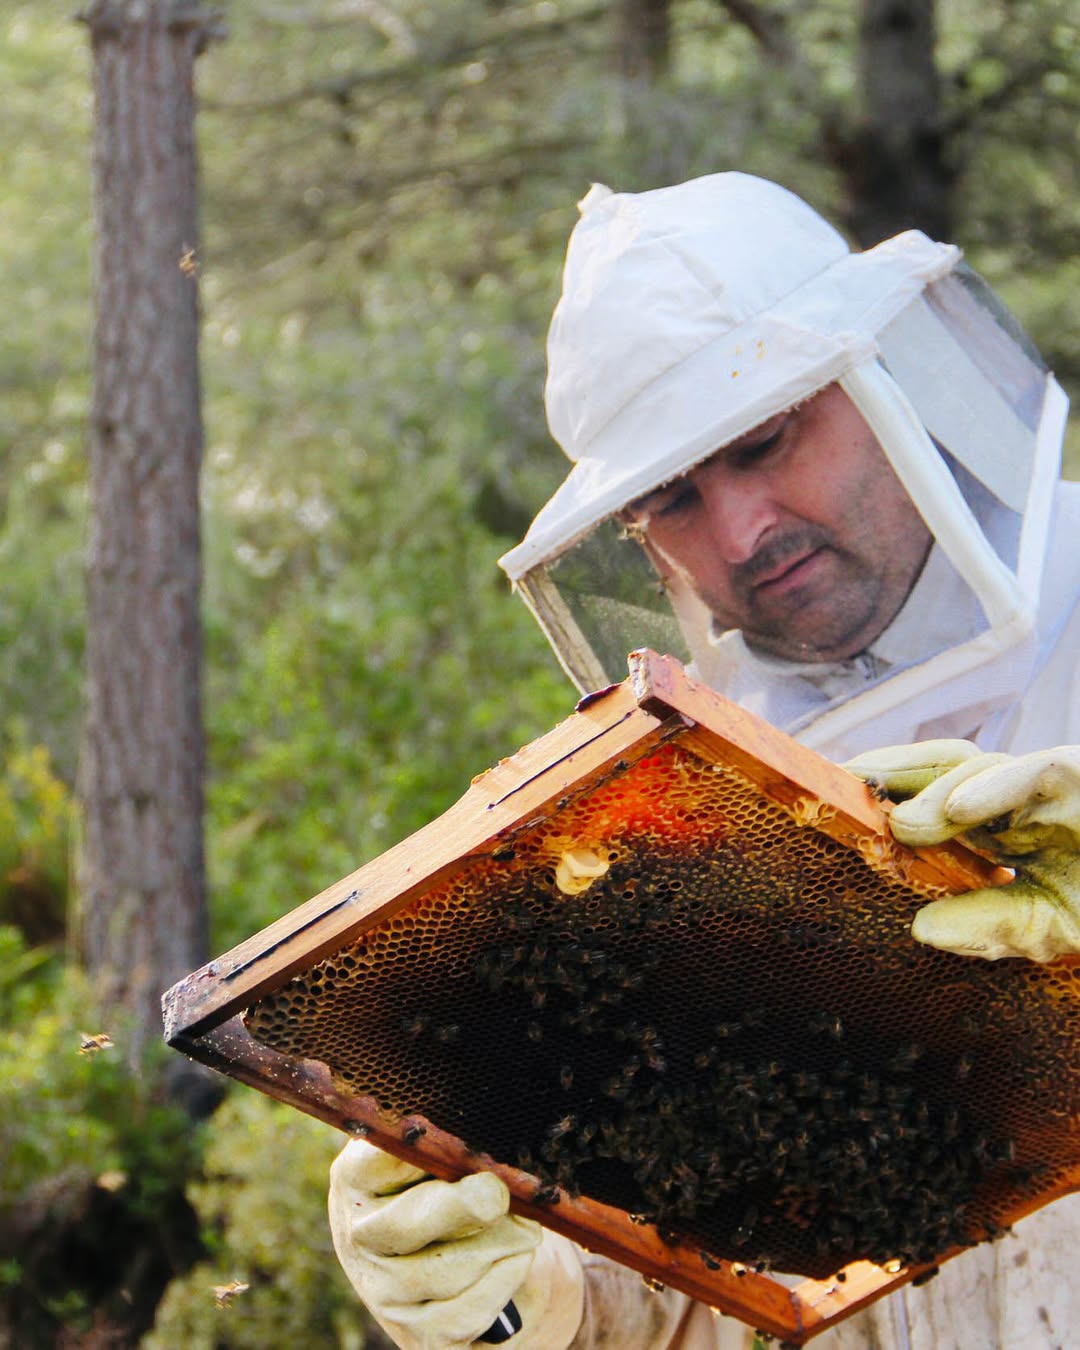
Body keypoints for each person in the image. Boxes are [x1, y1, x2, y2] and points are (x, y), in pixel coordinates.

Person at [328, 174, 1080, 1349]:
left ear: (886, 376)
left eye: (768, 439)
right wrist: (525, 1289)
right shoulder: (663, 816)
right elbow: (695, 1256)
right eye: (673, 498)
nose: (741, 534)